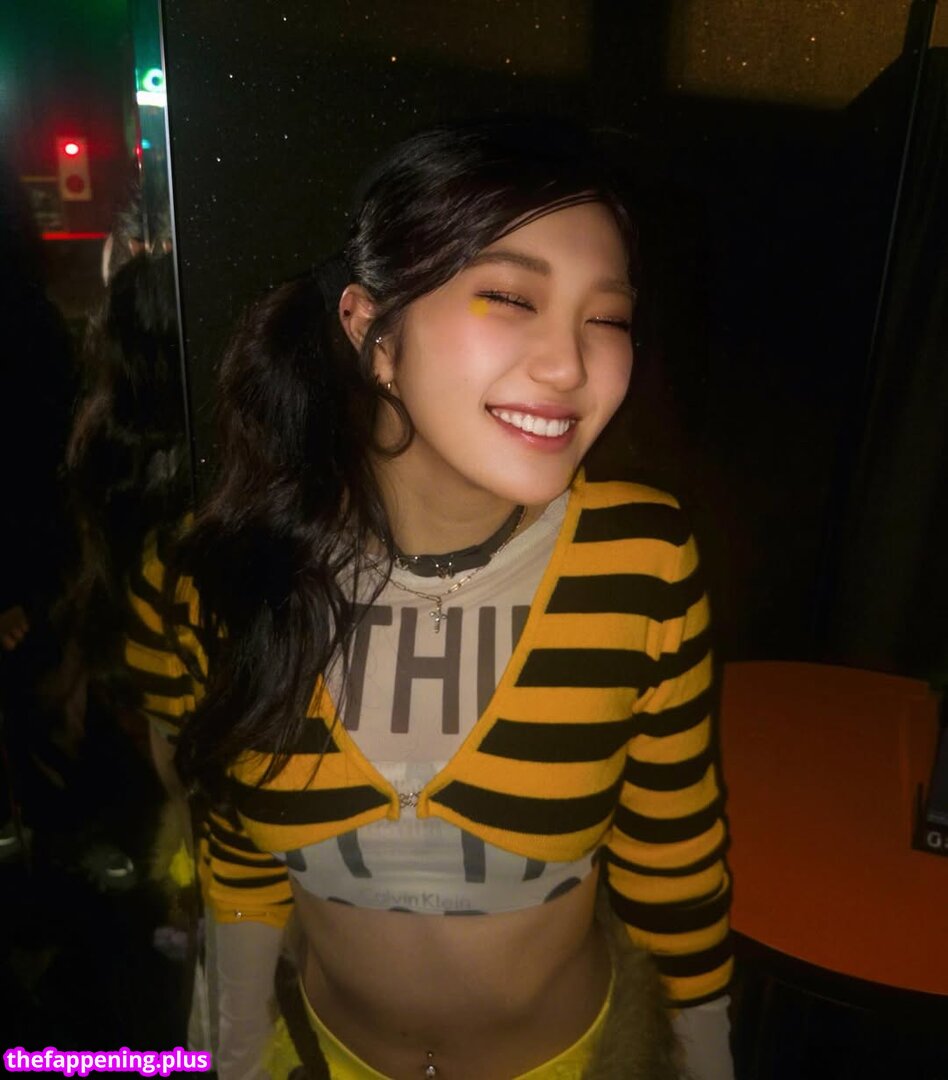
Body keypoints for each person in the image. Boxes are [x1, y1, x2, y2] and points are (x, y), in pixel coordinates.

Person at [126, 117, 733, 1079]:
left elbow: (674, 862)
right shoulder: (213, 579)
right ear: (371, 331)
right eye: (511, 297)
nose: (570, 365)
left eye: (607, 318)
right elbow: (234, 860)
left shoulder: (639, 559)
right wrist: (230, 1058)